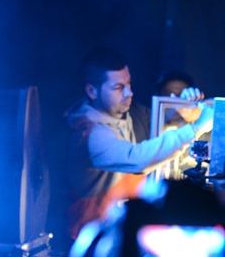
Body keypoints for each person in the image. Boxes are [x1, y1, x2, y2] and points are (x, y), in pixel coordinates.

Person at [64, 48, 213, 240]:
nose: (129, 93)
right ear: (91, 91)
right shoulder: (90, 135)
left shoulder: (132, 113)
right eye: (118, 87)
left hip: (125, 231)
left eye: (128, 83)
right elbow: (138, 159)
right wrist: (196, 127)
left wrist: (183, 108)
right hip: (92, 240)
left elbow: (160, 125)